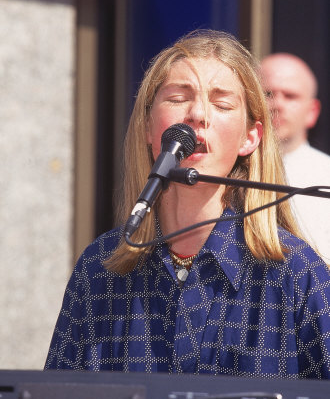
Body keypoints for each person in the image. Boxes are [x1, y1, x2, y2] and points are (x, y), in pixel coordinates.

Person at [45, 30, 330, 378]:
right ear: (149, 128)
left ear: (250, 137)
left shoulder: (297, 274)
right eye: (179, 97)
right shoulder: (98, 269)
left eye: (222, 104)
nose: (197, 114)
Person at [260, 53, 330, 264]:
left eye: (290, 96)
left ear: (312, 111)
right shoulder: (222, 170)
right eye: (268, 93)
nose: (277, 104)